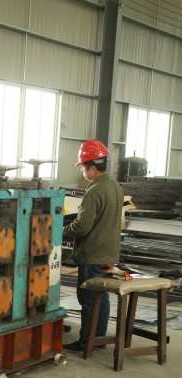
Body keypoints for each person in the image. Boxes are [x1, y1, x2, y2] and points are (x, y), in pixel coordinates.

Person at [62, 139, 124, 352]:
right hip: (108, 252)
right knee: (101, 296)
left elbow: (82, 227)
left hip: (92, 253)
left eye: (83, 168)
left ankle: (86, 341)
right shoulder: (115, 186)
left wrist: (60, 231)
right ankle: (98, 338)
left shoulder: (94, 190)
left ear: (92, 168)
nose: (82, 172)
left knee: (88, 297)